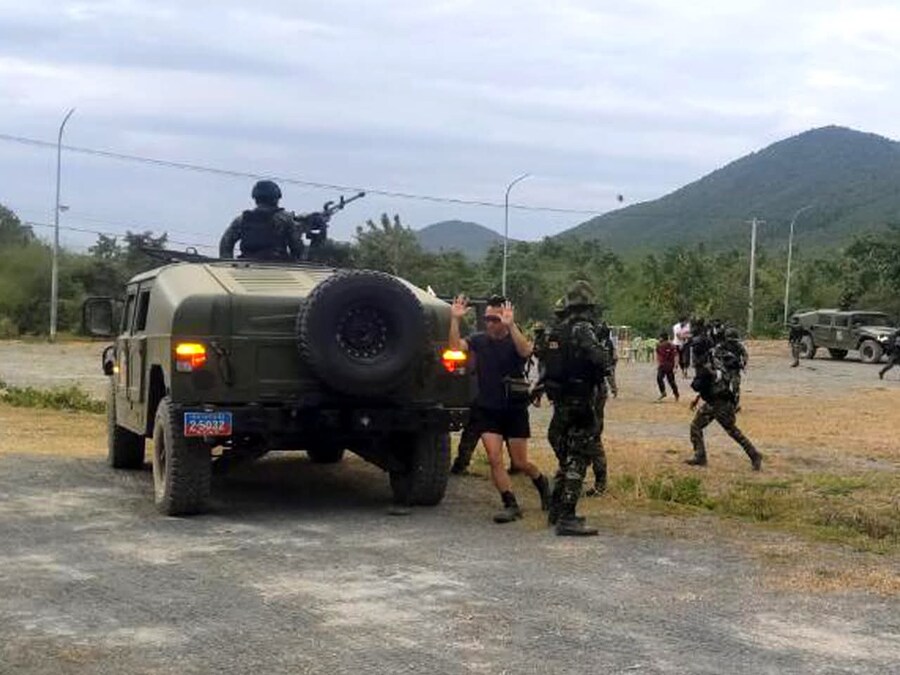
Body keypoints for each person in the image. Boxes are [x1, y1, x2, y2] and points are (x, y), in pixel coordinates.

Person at [448, 294, 550, 523]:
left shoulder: (514, 340)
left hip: (513, 408)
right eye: (488, 319)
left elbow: (526, 351)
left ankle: (542, 483)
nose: (490, 324)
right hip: (488, 408)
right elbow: (455, 346)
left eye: (495, 319)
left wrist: (511, 325)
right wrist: (454, 320)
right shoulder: (479, 340)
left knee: (521, 462)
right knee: (495, 459)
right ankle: (510, 503)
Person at [541, 281, 609, 536]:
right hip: (581, 400)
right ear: (589, 305)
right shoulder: (583, 330)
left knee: (567, 454)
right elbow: (600, 360)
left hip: (561, 401)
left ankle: (556, 510)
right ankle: (567, 517)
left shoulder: (558, 330)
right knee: (578, 458)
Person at [686, 343, 762, 471]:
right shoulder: (715, 363)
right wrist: (697, 399)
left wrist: (696, 384)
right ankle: (700, 456)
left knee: (732, 431)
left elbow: (698, 385)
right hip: (716, 401)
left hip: (719, 403)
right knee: (696, 427)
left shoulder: (706, 367)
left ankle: (754, 455)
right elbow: (711, 385)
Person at [219, 180, 307, 261]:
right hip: (278, 266)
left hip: (247, 264)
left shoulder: (241, 219)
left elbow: (225, 243)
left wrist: (227, 264)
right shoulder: (285, 219)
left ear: (255, 198)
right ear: (276, 198)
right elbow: (297, 247)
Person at [721, 327, 748, 409]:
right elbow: (716, 354)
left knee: (735, 387)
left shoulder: (738, 346)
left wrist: (743, 362)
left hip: (735, 369)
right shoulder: (723, 346)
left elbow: (745, 354)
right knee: (724, 387)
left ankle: (735, 404)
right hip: (725, 368)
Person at [655, 331, 680, 401]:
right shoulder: (658, 345)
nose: (659, 339)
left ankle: (676, 394)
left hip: (669, 366)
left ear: (663, 338)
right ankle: (663, 392)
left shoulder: (671, 346)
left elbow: (676, 356)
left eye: (660, 338)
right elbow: (658, 354)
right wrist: (658, 363)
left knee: (671, 381)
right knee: (659, 378)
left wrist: (675, 366)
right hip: (662, 365)